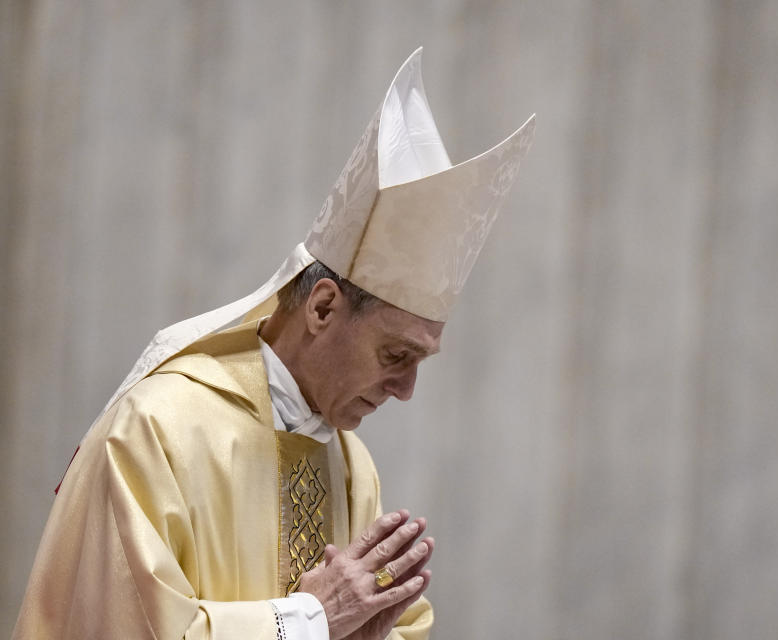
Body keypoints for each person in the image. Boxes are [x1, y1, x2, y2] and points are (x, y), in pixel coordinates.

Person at [13, 48, 535, 640]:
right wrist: (307, 622)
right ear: (322, 308)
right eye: (396, 356)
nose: (407, 390)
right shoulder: (156, 432)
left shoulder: (349, 465)